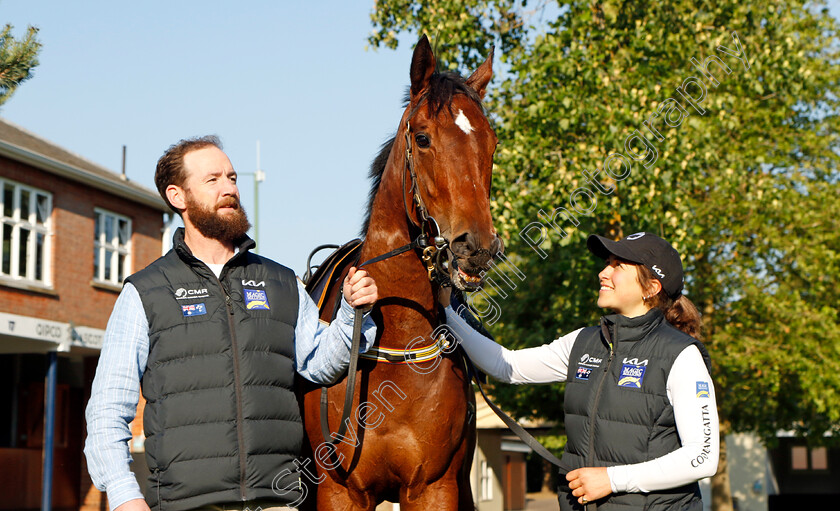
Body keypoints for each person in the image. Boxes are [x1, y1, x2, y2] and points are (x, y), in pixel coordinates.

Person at [84, 136, 379, 511]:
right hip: (186, 504)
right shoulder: (145, 292)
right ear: (178, 196)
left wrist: (353, 313)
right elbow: (108, 410)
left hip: (278, 501)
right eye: (213, 180)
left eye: (233, 177)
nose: (229, 188)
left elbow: (321, 364)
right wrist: (125, 496)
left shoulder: (282, 281)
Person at [441, 232, 719, 510]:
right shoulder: (583, 342)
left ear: (651, 287)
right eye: (606, 262)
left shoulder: (682, 355)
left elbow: (703, 457)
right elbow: (506, 365)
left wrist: (612, 480)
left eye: (617, 266)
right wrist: (445, 313)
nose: (603, 273)